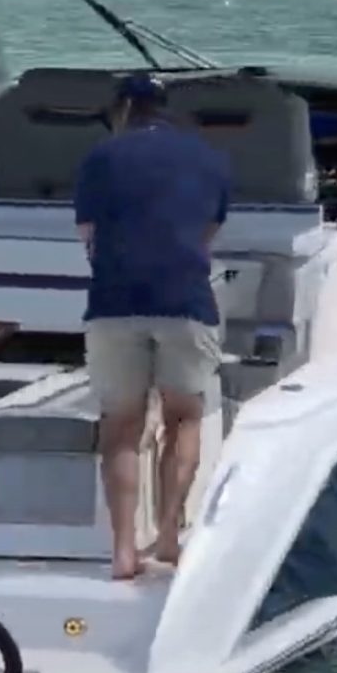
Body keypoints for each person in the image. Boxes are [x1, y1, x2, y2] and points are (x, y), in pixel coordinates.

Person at [71, 71, 231, 580]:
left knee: (121, 427)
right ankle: (167, 536)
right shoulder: (209, 159)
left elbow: (89, 237)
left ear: (123, 110)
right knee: (183, 418)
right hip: (186, 302)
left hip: (113, 304)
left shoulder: (101, 157)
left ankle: (123, 551)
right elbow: (206, 237)